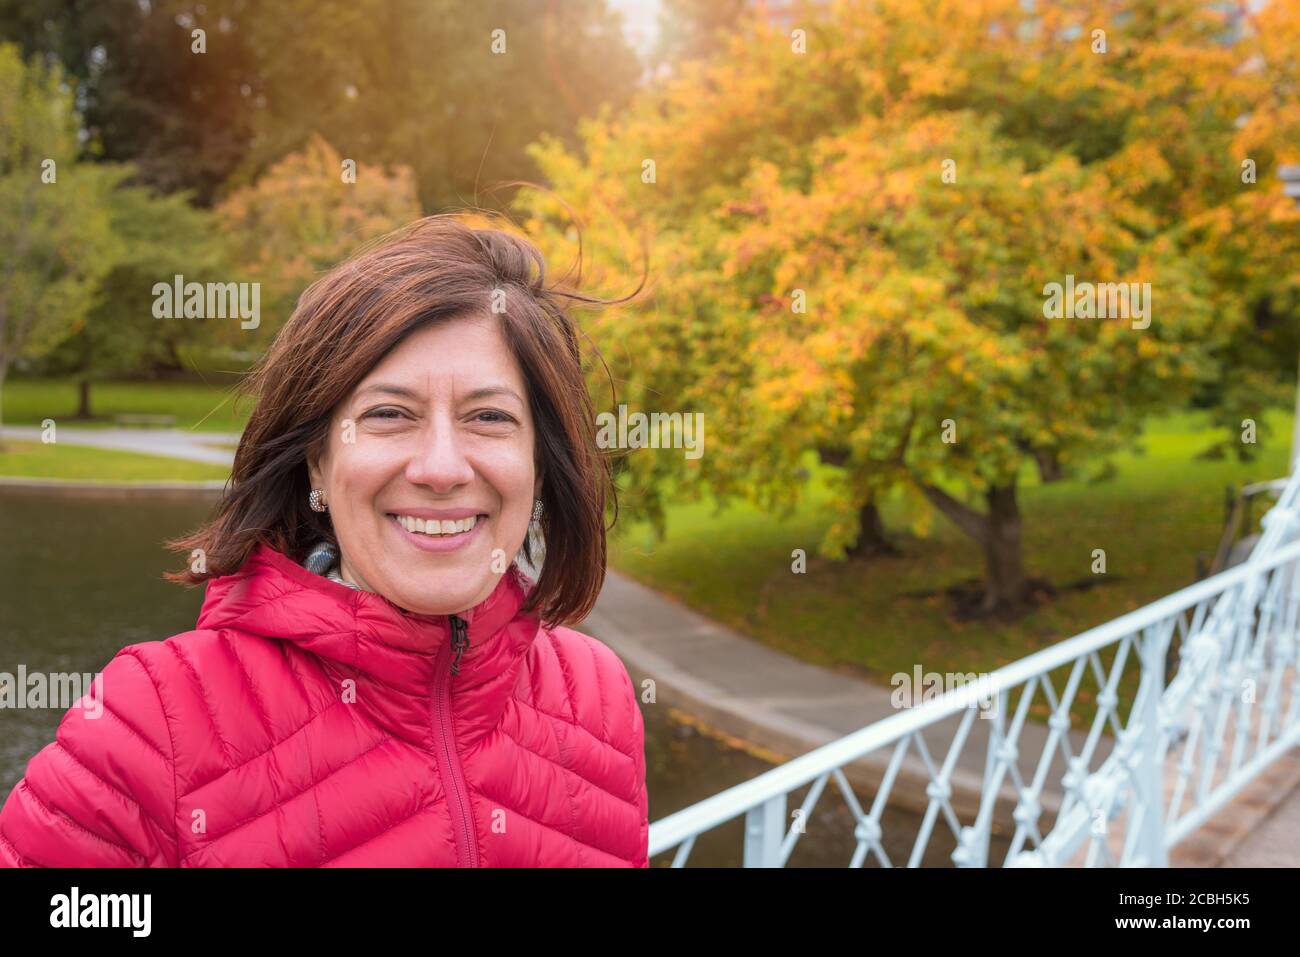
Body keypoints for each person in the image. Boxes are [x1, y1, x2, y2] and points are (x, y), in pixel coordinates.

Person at [0, 214, 649, 867]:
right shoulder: (150, 719)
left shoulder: (598, 695)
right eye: (390, 414)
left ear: (539, 460)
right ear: (318, 461)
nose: (442, 468)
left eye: (489, 416)